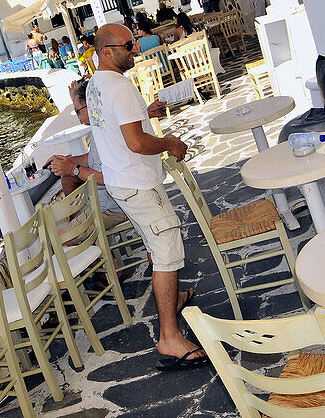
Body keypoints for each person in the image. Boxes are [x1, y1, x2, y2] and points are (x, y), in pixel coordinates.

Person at [85, 23, 206, 370]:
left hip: (124, 182)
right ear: (107, 51)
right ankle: (169, 337)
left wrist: (143, 114)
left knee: (157, 247)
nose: (135, 49)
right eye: (128, 45)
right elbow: (137, 143)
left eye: (134, 42)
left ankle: (172, 298)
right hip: (137, 183)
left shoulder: (96, 84)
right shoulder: (118, 87)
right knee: (167, 251)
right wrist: (170, 142)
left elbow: (114, 125)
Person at [46, 79, 131, 235]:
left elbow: (106, 178)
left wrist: (73, 169)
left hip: (113, 207)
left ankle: (85, 238)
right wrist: (67, 161)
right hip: (107, 201)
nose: (77, 115)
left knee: (58, 241)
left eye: (78, 110)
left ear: (91, 105)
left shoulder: (106, 132)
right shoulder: (104, 125)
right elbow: (93, 158)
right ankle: (82, 231)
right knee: (67, 179)